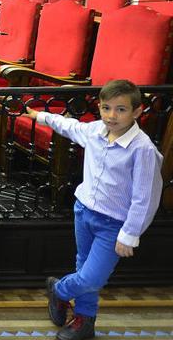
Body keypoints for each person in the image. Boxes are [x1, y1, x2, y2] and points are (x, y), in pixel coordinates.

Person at [26, 79, 162, 340]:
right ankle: (84, 321)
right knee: (83, 265)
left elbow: (146, 197)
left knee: (91, 277)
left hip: (114, 224)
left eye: (121, 110)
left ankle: (59, 290)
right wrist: (42, 116)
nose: (112, 116)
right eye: (106, 108)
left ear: (137, 112)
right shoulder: (96, 131)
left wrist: (130, 234)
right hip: (84, 212)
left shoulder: (142, 150)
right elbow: (70, 126)